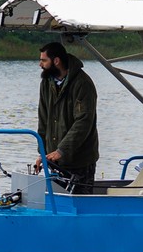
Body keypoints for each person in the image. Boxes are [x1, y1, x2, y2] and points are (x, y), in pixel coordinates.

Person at [34, 41, 99, 194]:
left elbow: (83, 122)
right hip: (55, 161)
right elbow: (43, 120)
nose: (40, 64)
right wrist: (42, 152)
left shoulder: (83, 84)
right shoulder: (46, 83)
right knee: (56, 203)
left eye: (44, 60)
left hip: (80, 160)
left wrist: (62, 150)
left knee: (80, 204)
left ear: (56, 61)